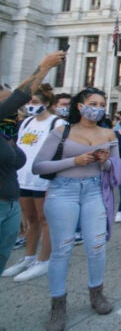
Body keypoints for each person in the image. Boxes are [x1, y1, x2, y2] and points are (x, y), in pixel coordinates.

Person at [33, 87, 120, 330]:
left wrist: (105, 162)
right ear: (80, 106)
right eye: (94, 103)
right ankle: (58, 304)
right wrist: (75, 161)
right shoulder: (62, 131)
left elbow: (116, 170)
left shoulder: (108, 133)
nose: (99, 108)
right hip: (63, 191)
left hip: (94, 191)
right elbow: (39, 166)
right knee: (61, 249)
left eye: (102, 104)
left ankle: (97, 293)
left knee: (96, 245)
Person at [0, 51, 65, 275]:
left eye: (36, 102)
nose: (29, 105)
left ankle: (42, 259)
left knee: (43, 219)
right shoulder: (25, 122)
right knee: (30, 219)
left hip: (36, 182)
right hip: (20, 182)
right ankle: (29, 257)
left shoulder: (55, 123)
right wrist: (43, 67)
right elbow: (18, 96)